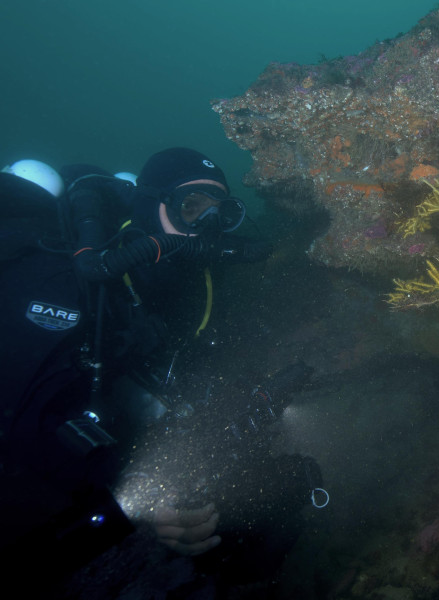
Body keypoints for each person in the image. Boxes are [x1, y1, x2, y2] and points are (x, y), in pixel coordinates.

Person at [0, 149, 320, 589]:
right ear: (153, 206)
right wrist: (137, 490)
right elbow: (19, 427)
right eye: (191, 207)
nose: (206, 226)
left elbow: (175, 389)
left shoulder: (196, 289)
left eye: (220, 213)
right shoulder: (69, 279)